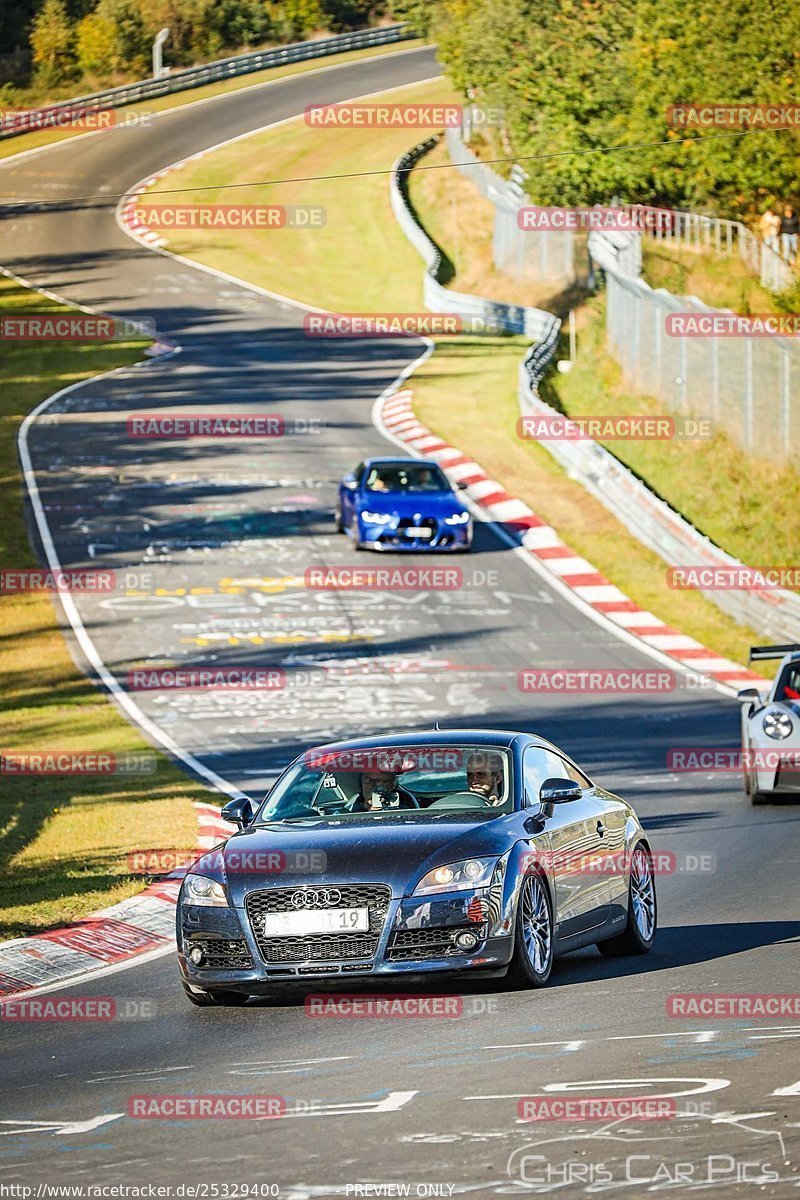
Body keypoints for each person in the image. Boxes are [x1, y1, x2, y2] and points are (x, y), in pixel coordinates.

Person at [349, 768, 417, 811]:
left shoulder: (405, 810)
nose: (373, 786)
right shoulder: (351, 808)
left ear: (391, 785)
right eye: (368, 780)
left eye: (382, 782)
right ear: (361, 783)